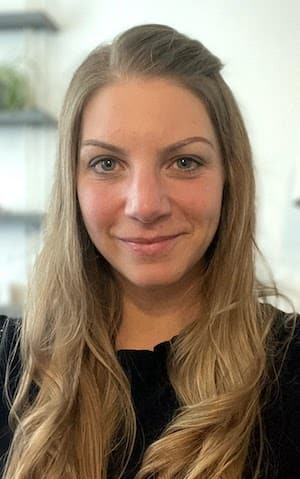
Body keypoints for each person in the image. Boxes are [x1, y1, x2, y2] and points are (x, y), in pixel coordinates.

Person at [0, 23, 299, 479]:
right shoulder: (9, 365)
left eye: (184, 162)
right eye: (106, 163)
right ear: (72, 184)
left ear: (228, 176)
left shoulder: (289, 368)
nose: (145, 206)